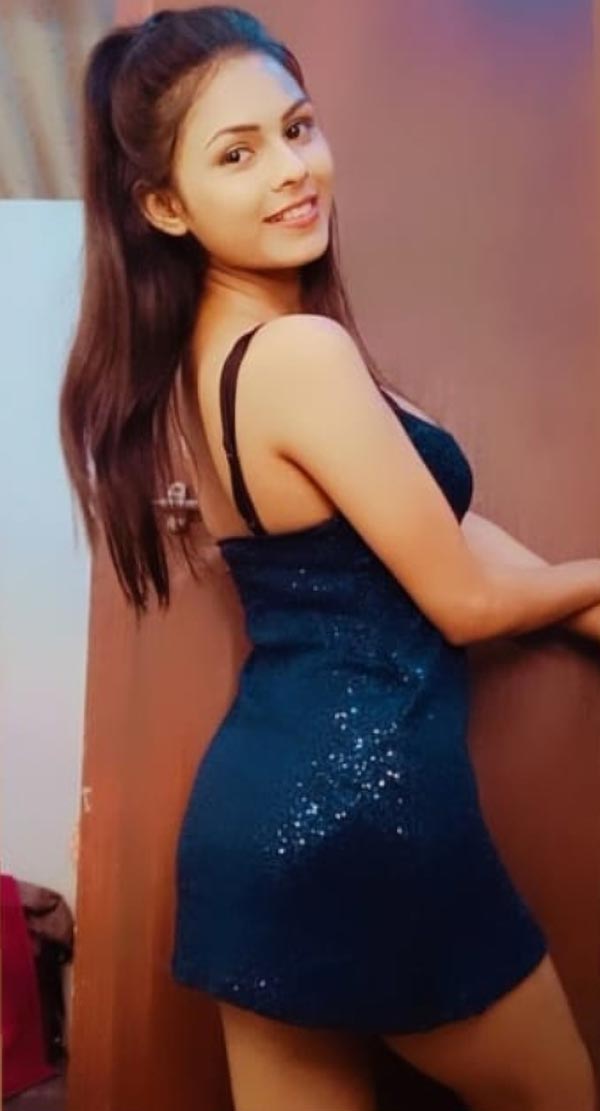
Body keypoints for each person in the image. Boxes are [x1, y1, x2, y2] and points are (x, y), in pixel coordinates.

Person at [59, 7, 600, 1110]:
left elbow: (445, 545)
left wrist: (579, 594)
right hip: (376, 816)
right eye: (237, 154)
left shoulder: (209, 366)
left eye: (298, 128)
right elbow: (465, 599)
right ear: (164, 206)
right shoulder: (300, 355)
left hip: (253, 828)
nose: (291, 171)